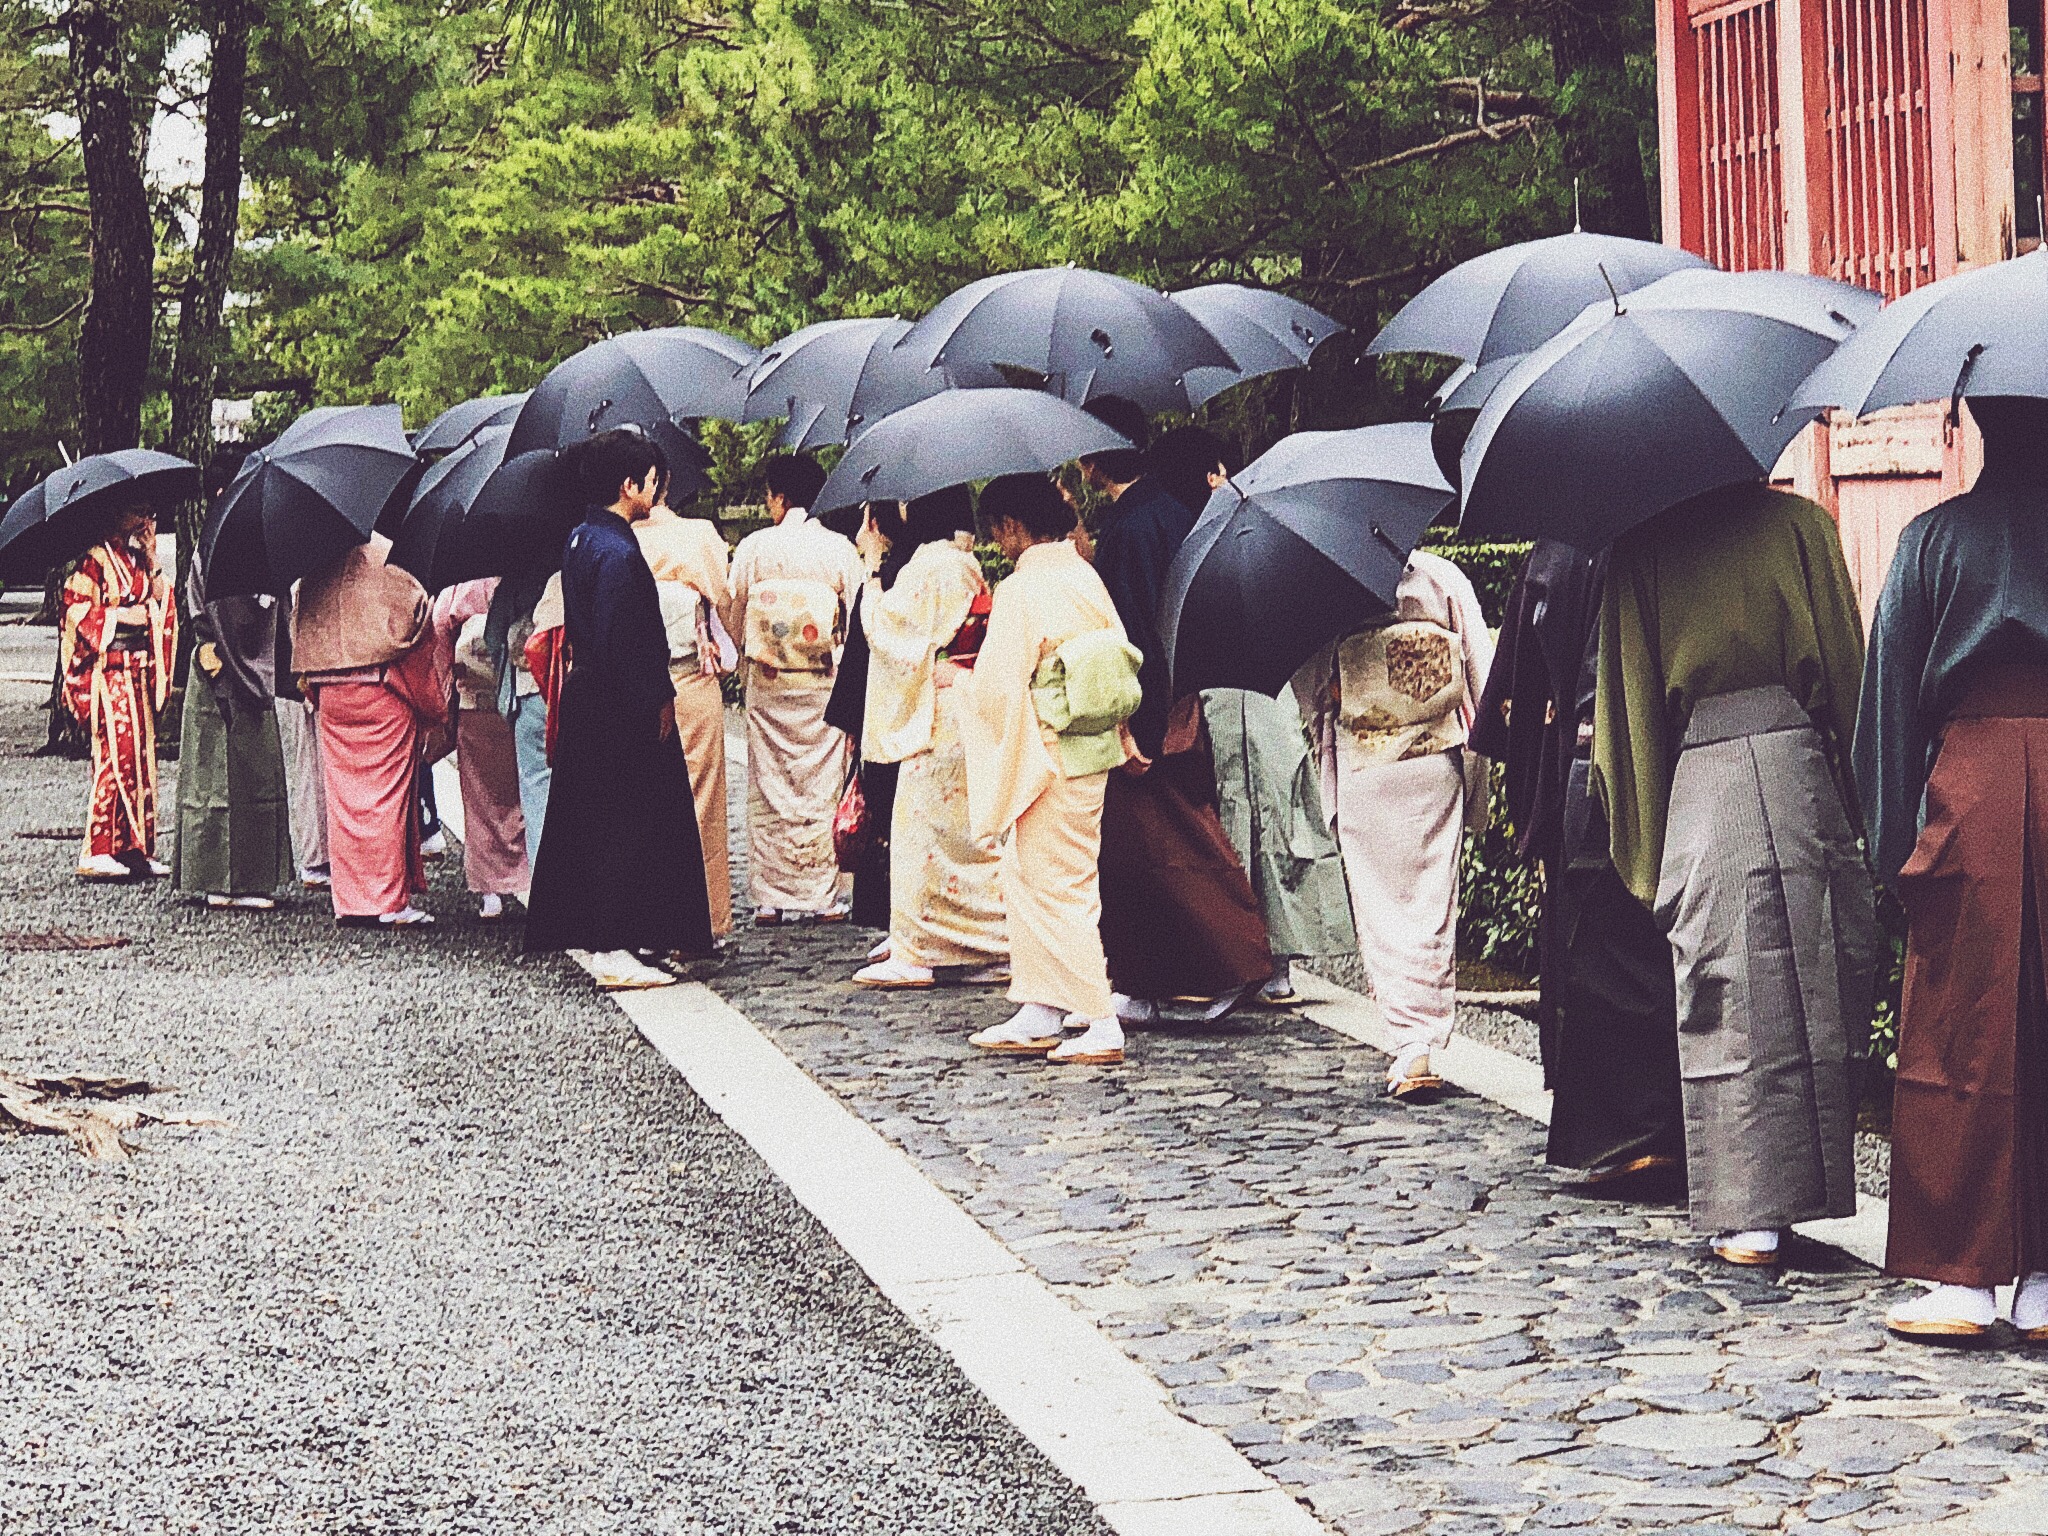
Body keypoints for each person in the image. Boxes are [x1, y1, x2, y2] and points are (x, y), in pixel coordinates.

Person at [1593, 482, 1876, 1268]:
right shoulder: (1803, 526)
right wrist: (1865, 805)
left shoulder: (1639, 550)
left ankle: (1747, 1211)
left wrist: (1650, 850)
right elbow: (1849, 677)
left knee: (1722, 992)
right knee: (1816, 983)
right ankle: (1800, 1197)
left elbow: (1631, 711)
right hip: (1799, 770)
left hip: (1702, 779)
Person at [1855, 396, 2048, 1341]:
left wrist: (1895, 851)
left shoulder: (1933, 542)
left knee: (1964, 1030)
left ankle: (1966, 1281)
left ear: (1979, 420)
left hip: (1972, 791)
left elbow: (1888, 707)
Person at [1472, 542, 1684, 1186]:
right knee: (1640, 940)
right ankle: (1654, 1128)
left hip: (1582, 759)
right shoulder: (1660, 544)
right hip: (1658, 753)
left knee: (1599, 943)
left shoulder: (1554, 558)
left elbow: (1516, 690)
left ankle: (1627, 1132)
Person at [1081, 397, 1273, 1021]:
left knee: (1168, 844)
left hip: (1152, 709)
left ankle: (1228, 961)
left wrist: (1133, 723)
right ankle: (1152, 981)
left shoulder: (1131, 526)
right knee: (1168, 839)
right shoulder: (1176, 511)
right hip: (1187, 694)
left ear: (1090, 461)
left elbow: (1131, 633)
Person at [1152, 427, 1351, 1004]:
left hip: (1261, 695)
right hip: (1229, 697)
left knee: (1278, 818)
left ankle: (1280, 955)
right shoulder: (1193, 540)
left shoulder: (1246, 529)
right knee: (1241, 820)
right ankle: (1248, 955)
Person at [1294, 550, 1495, 1099]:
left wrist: (1333, 714)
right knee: (1432, 897)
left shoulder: (1323, 590)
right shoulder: (1439, 576)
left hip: (1367, 759)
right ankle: (1426, 1033)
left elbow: (1314, 687)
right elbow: (1480, 663)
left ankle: (1411, 1043)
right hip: (1434, 757)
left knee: (1381, 902)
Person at [524, 430, 714, 987]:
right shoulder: (614, 550)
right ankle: (611, 941)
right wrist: (653, 696)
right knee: (621, 825)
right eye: (651, 481)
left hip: (596, 695)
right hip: (618, 702)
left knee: (609, 821)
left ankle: (625, 935)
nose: (656, 491)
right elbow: (623, 636)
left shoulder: (585, 538)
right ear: (629, 485)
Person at [962, 473, 1137, 1065]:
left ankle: (1099, 1015)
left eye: (998, 530)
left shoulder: (1026, 587)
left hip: (1047, 748)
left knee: (1057, 886)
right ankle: (1040, 1005)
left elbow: (999, 684)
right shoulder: (1082, 573)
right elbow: (1115, 657)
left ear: (1011, 526)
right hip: (1086, 745)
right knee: (1036, 878)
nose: (997, 542)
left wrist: (959, 684)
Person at [850, 487, 1007, 989]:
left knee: (923, 829)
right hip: (960, 701)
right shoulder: (959, 562)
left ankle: (922, 947)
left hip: (937, 710)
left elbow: (886, 629)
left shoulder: (933, 565)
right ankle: (982, 942)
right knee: (963, 831)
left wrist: (872, 568)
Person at [724, 453, 863, 925]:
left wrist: (752, 645)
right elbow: (858, 609)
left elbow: (732, 609)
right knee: (822, 783)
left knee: (769, 784)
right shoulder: (840, 549)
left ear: (781, 498)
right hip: (821, 680)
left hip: (769, 681)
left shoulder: (755, 548)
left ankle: (770, 897)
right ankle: (820, 895)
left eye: (768, 496)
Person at [291, 531, 447, 927]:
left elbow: (297, 629)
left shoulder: (315, 568)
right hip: (381, 692)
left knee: (344, 802)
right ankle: (387, 901)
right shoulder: (386, 557)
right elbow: (417, 622)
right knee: (385, 801)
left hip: (331, 693)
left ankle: (351, 900)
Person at [175, 454, 294, 909]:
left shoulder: (239, 542)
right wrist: (254, 670)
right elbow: (224, 615)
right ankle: (226, 881)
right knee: (218, 778)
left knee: (247, 777)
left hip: (238, 665)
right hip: (220, 666)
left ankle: (241, 879)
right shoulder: (219, 546)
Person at [634, 477, 736, 938]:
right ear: (666, 484)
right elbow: (725, 601)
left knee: (642, 801)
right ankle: (705, 918)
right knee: (701, 800)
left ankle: (650, 916)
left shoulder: (619, 541)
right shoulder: (699, 537)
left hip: (636, 683)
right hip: (692, 678)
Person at [61, 498, 175, 880]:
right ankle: (98, 848)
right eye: (138, 511)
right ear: (117, 513)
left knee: (142, 761)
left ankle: (134, 847)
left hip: (138, 670)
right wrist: (121, 615)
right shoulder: (94, 560)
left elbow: (161, 599)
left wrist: (153, 555)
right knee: (116, 754)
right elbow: (75, 612)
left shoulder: (138, 559)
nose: (144, 518)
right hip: (108, 673)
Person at [433, 578, 531, 918]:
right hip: (518, 694)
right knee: (525, 791)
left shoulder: (461, 587)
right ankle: (527, 875)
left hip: (474, 702)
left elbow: (439, 629)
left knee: (480, 799)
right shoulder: (527, 578)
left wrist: (445, 691)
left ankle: (491, 889)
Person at [824, 511, 901, 938]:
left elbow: (871, 644)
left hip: (891, 710)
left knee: (887, 816)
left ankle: (892, 918)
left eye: (867, 522)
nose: (858, 534)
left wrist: (872, 575)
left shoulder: (888, 580)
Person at [485, 568, 561, 872]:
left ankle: (546, 888)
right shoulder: (584, 561)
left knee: (537, 788)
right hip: (575, 687)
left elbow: (493, 637)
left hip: (530, 689)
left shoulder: (517, 576)